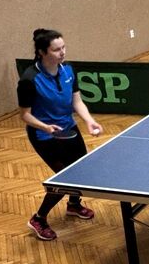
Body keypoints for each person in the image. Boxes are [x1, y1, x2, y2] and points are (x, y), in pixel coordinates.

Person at [17, 29, 103, 241]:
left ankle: (73, 205)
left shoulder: (68, 70)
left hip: (68, 128)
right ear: (42, 52)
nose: (62, 52)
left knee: (80, 171)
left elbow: (76, 101)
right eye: (56, 50)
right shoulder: (29, 79)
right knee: (64, 179)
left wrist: (89, 120)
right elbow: (25, 115)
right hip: (44, 136)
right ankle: (38, 219)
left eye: (63, 47)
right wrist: (45, 127)